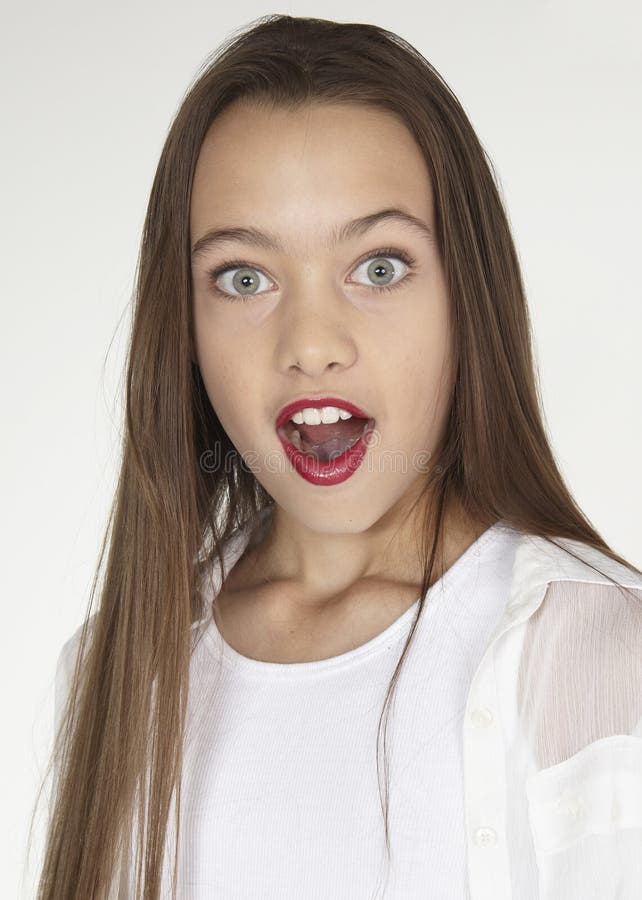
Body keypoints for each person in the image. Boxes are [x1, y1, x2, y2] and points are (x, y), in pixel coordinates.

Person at [31, 13, 642, 900]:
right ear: (186, 327)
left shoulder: (607, 657)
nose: (312, 344)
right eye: (246, 277)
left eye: (380, 267)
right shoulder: (112, 674)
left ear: (466, 291)